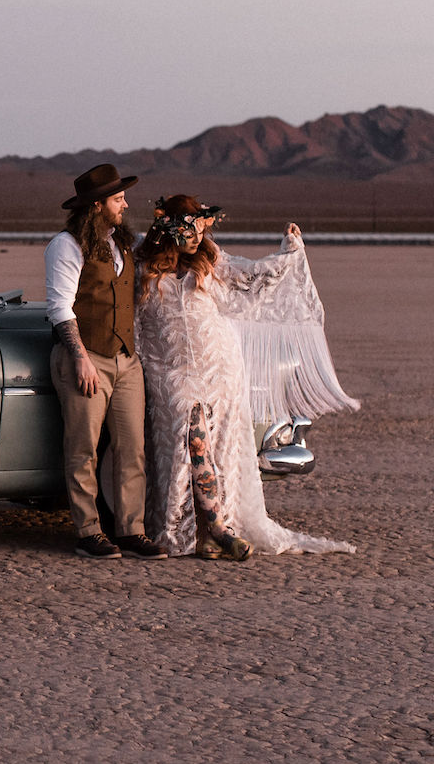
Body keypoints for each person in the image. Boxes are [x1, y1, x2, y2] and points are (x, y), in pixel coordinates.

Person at [134, 195, 358, 560]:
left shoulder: (210, 260)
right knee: (194, 441)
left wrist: (288, 251)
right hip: (170, 371)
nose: (198, 236)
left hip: (218, 367)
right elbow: (136, 323)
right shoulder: (142, 265)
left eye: (202, 228)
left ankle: (212, 533)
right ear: (170, 227)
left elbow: (254, 277)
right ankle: (217, 529)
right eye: (191, 228)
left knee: (210, 449)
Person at [45, 164, 166, 561]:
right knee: (83, 448)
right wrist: (80, 359)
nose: (125, 204)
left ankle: (131, 529)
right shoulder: (66, 245)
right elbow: (60, 308)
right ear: (97, 206)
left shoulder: (122, 243)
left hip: (125, 361)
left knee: (132, 448)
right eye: (118, 199)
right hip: (86, 357)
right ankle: (88, 531)